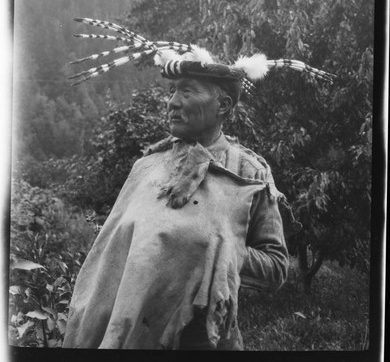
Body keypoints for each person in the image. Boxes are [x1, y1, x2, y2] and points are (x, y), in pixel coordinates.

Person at [64, 18, 333, 350]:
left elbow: (276, 267)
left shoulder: (248, 172)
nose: (172, 102)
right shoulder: (146, 167)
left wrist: (218, 250)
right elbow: (107, 262)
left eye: (187, 90)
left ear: (223, 105)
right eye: (173, 91)